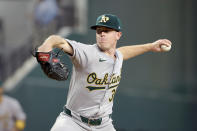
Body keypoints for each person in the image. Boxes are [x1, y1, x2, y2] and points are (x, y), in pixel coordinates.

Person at [37, 14, 172, 131]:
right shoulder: (87, 53)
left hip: (103, 125)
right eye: (99, 30)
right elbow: (57, 40)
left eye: (107, 31)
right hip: (73, 123)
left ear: (118, 35)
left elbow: (123, 52)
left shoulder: (117, 57)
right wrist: (44, 48)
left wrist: (150, 46)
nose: (102, 33)